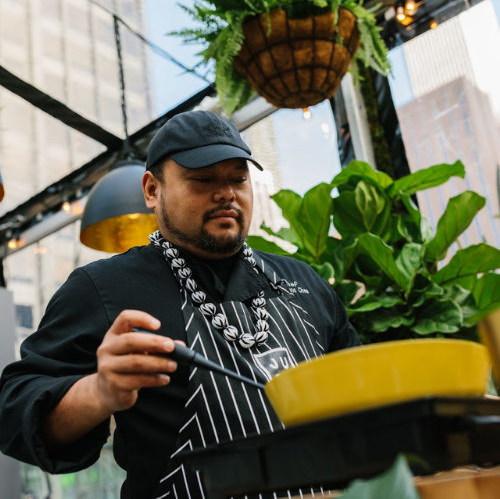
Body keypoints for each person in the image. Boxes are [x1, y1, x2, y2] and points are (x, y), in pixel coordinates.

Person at [0, 110, 361, 499]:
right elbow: (13, 410)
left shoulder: (304, 282)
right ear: (153, 190)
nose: (226, 193)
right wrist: (98, 391)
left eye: (238, 179)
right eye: (202, 180)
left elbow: (362, 398)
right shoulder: (102, 287)